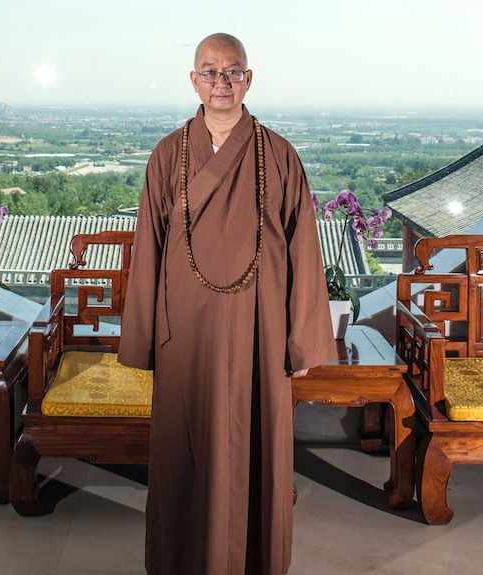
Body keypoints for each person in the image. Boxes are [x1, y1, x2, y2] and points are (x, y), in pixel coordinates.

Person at [118, 32, 335, 575]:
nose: (221, 82)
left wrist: (304, 337)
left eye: (232, 71)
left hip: (259, 327)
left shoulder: (279, 154)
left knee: (253, 440)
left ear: (249, 80)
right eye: (210, 72)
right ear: (194, 81)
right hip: (186, 328)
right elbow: (149, 248)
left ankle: (251, 560)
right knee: (183, 446)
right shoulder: (168, 153)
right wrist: (142, 336)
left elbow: (304, 247)